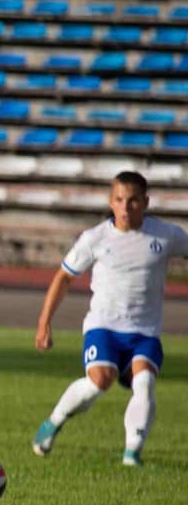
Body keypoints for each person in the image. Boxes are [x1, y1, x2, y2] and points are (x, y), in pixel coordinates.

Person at [32, 171, 188, 467]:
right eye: (119, 200)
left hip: (145, 332)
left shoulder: (166, 235)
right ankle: (54, 421)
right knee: (99, 382)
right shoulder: (95, 238)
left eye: (133, 201)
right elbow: (64, 276)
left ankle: (132, 453)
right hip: (103, 327)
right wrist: (44, 322)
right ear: (110, 202)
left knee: (145, 382)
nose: (126, 208)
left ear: (145, 202)